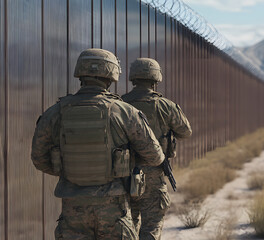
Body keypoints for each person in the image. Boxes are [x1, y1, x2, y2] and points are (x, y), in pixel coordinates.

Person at [31, 49, 165, 239]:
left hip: (72, 209)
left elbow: (39, 158)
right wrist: (126, 162)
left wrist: (71, 170)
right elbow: (155, 156)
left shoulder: (55, 112)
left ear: (80, 73)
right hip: (114, 211)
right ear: (111, 75)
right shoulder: (124, 112)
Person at [122, 58, 192, 240]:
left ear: (133, 78)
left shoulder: (119, 104)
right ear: (156, 79)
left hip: (122, 175)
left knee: (126, 225)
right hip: (154, 174)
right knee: (152, 226)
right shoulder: (165, 106)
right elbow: (185, 132)